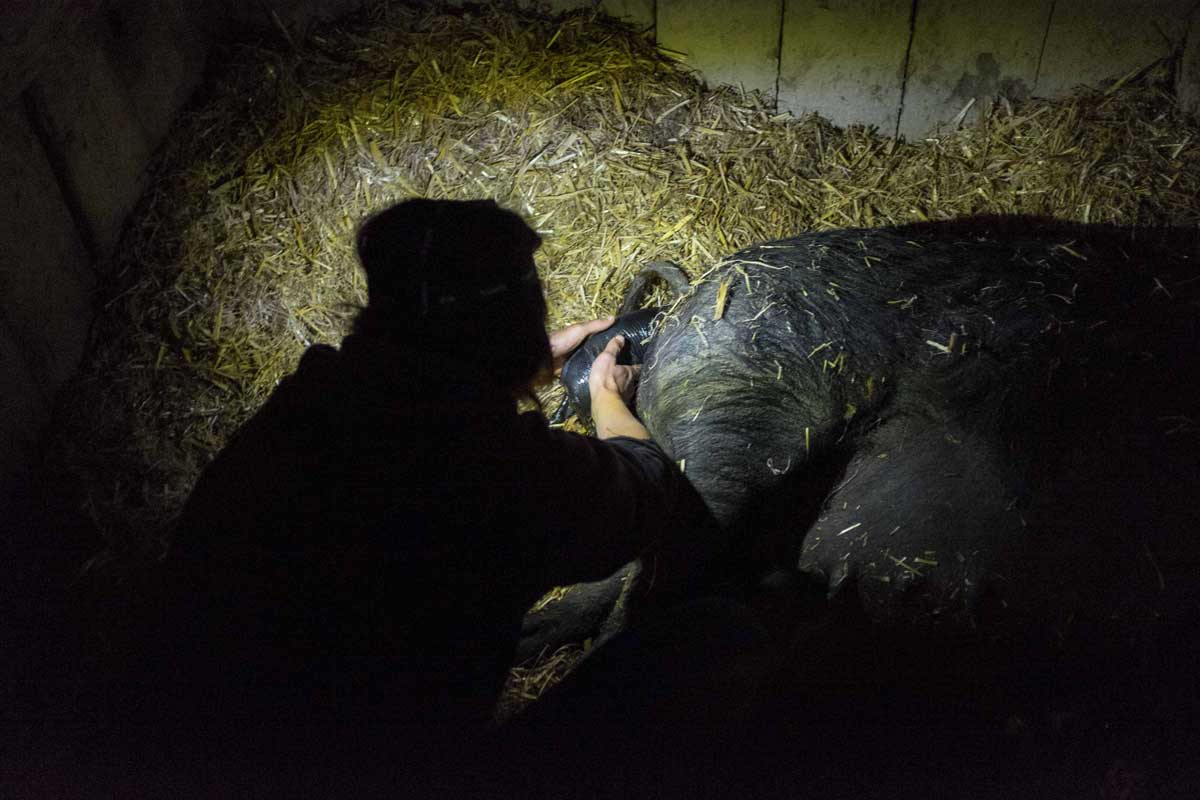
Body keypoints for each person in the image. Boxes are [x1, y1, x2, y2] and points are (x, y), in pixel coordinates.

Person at [142, 198, 761, 795]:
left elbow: (413, 385)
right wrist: (606, 396)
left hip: (176, 756)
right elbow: (647, 488)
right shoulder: (494, 467)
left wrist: (511, 364)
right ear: (516, 325)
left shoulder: (308, 405)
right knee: (718, 632)